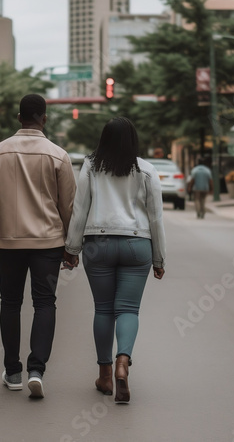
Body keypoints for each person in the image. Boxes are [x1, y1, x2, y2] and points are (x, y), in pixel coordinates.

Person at [0, 94, 76, 399]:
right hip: (49, 243)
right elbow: (68, 206)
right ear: (44, 119)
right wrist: (72, 246)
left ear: (19, 118)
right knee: (45, 303)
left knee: (10, 303)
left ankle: (13, 371)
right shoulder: (59, 155)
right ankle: (37, 370)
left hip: (10, 242)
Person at [63, 117, 166, 404]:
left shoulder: (91, 167)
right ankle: (124, 361)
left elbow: (80, 209)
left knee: (104, 309)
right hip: (137, 244)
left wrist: (71, 248)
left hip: (99, 244)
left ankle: (105, 375)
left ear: (103, 139)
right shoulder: (146, 169)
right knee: (128, 310)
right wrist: (159, 257)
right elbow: (156, 217)